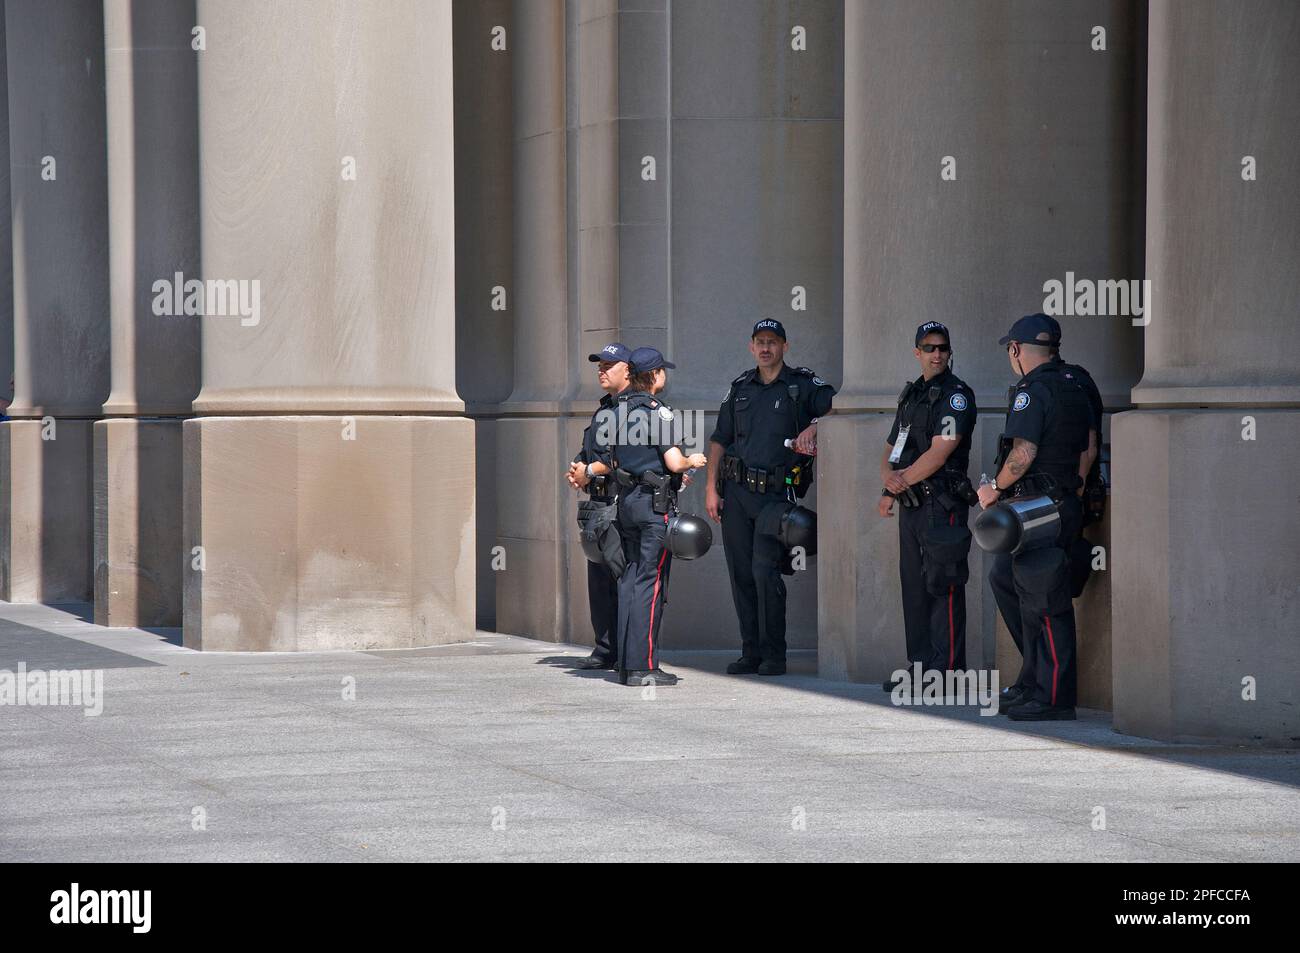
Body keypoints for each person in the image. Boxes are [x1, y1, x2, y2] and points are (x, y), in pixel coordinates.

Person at [977, 314, 1093, 720]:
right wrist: (1073, 490)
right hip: (1063, 504)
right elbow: (1089, 447)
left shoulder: (1032, 389)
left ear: (1016, 350)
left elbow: (1022, 453)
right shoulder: (1079, 382)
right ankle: (1032, 680)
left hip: (1038, 507)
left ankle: (1055, 697)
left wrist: (993, 489)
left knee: (1045, 599)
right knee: (1007, 579)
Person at [705, 319, 834, 676]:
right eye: (760, 342)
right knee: (742, 575)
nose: (766, 348)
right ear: (751, 346)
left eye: (773, 342)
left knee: (765, 573)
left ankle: (774, 655)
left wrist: (816, 425)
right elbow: (719, 440)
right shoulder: (740, 389)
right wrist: (711, 488)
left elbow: (838, 406)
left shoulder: (801, 385)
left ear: (784, 347)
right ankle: (750, 652)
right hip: (736, 494)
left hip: (776, 496)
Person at [877, 322, 978, 688]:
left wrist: (895, 484)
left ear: (950, 352)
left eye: (943, 348)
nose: (937, 354)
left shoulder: (956, 396)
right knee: (914, 585)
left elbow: (939, 454)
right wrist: (888, 481)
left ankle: (947, 671)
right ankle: (921, 666)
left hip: (942, 503)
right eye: (929, 347)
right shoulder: (913, 395)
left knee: (943, 583)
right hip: (913, 503)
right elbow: (893, 446)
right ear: (917, 352)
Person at [605, 347, 707, 686]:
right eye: (663, 370)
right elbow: (675, 461)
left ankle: (625, 663)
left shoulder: (617, 411)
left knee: (632, 580)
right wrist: (693, 461)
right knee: (651, 582)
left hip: (627, 503)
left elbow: (616, 460)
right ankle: (643, 667)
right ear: (655, 375)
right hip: (652, 508)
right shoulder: (657, 411)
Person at [567, 342, 632, 670]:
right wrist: (579, 466)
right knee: (599, 578)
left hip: (621, 503)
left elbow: (623, 458)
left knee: (622, 577)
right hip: (598, 502)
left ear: (628, 370)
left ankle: (625, 649)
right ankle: (605, 648)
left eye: (609, 365)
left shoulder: (634, 409)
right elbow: (589, 450)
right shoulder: (604, 409)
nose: (601, 370)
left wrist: (590, 470)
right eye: (599, 365)